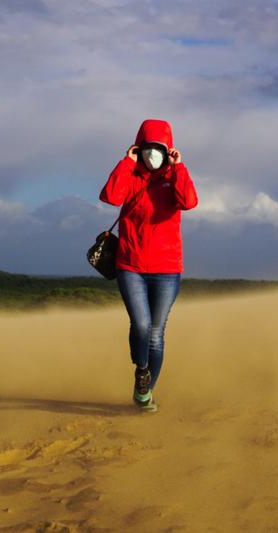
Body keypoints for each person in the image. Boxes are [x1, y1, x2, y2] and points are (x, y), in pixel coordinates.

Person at [99, 118, 198, 412]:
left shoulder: (173, 176)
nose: (152, 154)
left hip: (167, 269)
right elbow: (110, 196)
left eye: (159, 149)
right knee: (141, 326)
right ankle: (141, 371)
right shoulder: (131, 175)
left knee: (156, 332)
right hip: (130, 265)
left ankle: (145, 392)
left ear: (168, 150)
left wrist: (178, 168)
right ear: (138, 148)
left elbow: (189, 202)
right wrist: (125, 163)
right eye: (147, 148)